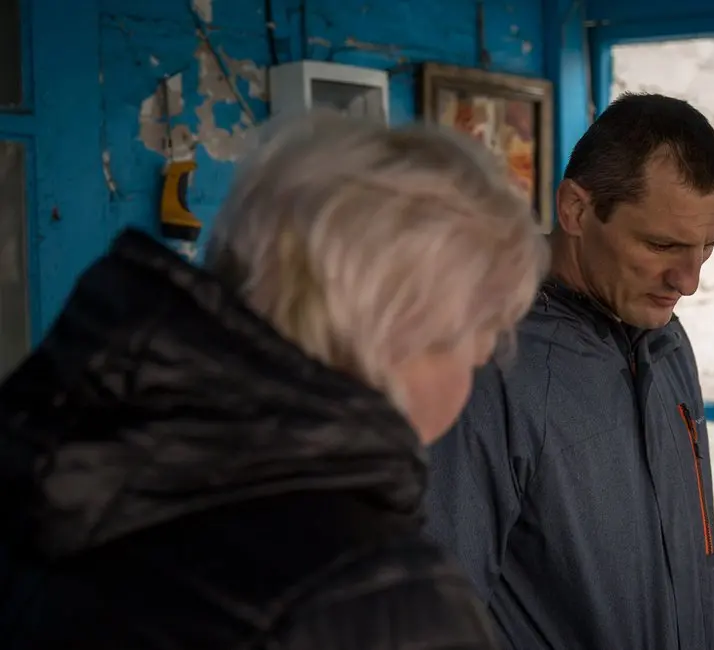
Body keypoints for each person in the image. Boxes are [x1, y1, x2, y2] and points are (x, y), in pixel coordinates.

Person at [0, 112, 549, 649]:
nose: (474, 374)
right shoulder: (376, 596)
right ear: (397, 331)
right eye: (478, 341)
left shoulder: (60, 452)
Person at [426, 92, 714, 650]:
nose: (688, 281)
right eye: (662, 244)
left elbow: (692, 566)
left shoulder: (668, 340)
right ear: (575, 210)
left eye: (707, 248)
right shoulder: (482, 367)